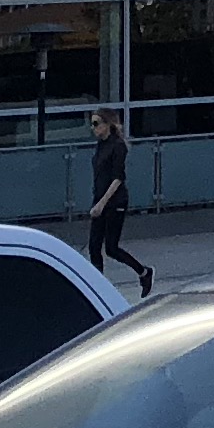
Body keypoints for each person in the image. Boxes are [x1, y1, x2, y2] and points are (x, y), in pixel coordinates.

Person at [84, 109, 153, 298]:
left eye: (96, 124)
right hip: (99, 199)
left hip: (115, 201)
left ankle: (144, 272)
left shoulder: (118, 146)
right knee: (93, 246)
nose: (93, 128)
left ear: (107, 124)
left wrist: (102, 203)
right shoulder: (100, 145)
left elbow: (117, 178)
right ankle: (97, 288)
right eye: (92, 124)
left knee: (111, 248)